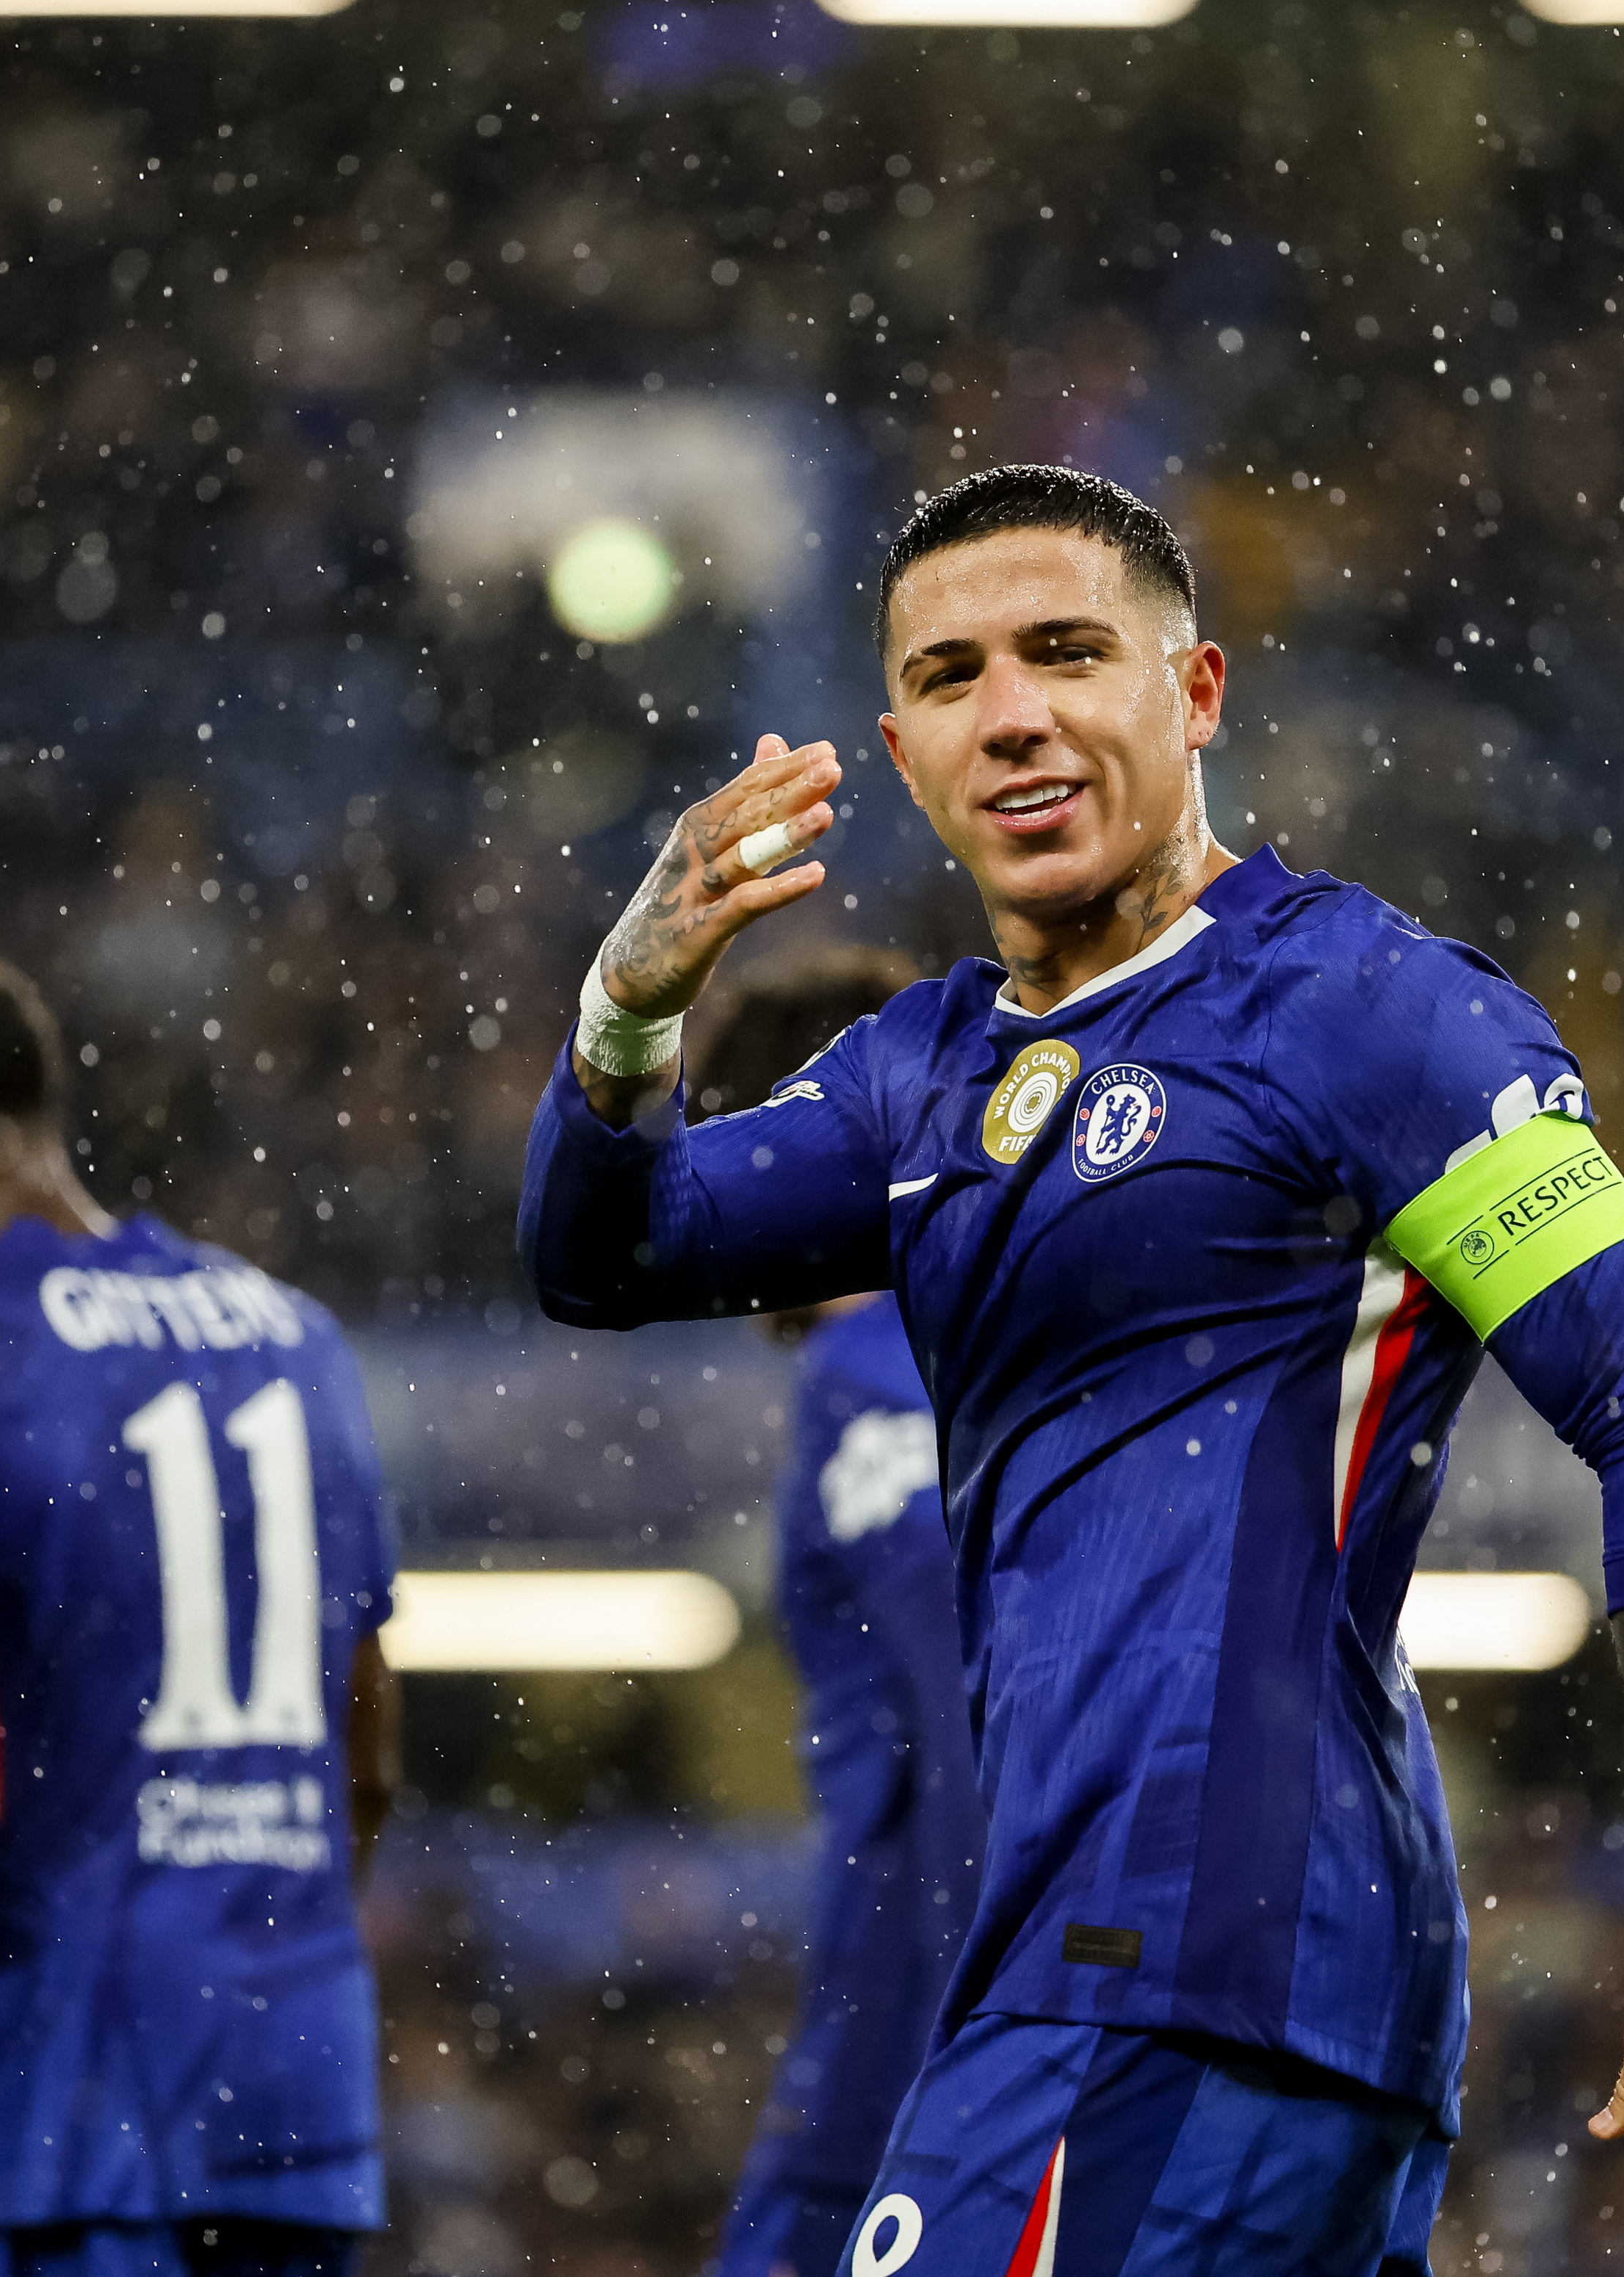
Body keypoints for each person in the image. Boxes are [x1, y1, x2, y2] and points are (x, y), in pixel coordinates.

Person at [520, 466, 1624, 2277]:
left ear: (1193, 693)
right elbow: (604, 1253)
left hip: (1202, 1958)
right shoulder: (921, 1075)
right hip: (1120, 1971)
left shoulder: (1365, 1010)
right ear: (900, 751)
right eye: (953, 675)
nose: (1015, 716)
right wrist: (626, 1006)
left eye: (1068, 652)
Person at [0, 945, 403, 2277]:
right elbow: (371, 1754)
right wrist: (235, 1967)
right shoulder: (297, 1339)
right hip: (294, 2108)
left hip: (45, 2112)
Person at [692, 951, 989, 2277]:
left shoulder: (873, 1380)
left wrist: (992, 2038)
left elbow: (972, 1706)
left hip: (930, 1999)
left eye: (708, 1153)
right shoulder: (966, 1347)